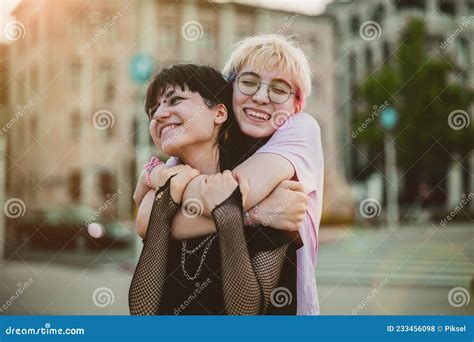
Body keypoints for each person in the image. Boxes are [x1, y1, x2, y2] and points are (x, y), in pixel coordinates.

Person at [134, 35, 324, 315]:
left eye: (280, 89)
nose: (260, 97)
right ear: (229, 90)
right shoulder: (187, 154)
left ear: (296, 105)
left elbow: (237, 190)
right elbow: (146, 219)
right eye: (248, 82)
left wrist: (164, 184)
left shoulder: (300, 130)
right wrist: (255, 214)